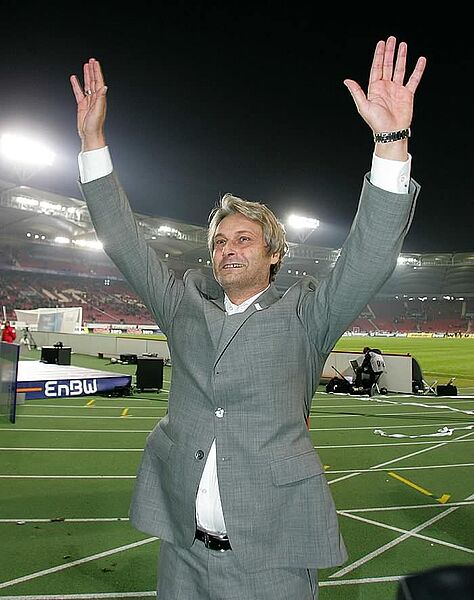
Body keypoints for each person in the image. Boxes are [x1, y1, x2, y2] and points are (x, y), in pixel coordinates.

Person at [70, 35, 426, 600]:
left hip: (273, 559)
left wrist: (390, 142)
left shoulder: (306, 315)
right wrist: (93, 142)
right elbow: (123, 241)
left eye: (243, 239)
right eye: (219, 241)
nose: (227, 249)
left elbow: (371, 255)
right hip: (183, 555)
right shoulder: (182, 305)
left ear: (274, 253)